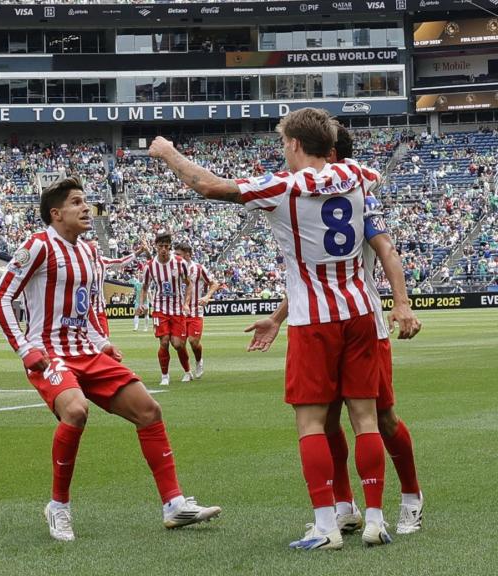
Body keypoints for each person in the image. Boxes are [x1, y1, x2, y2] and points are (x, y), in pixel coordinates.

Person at [148, 107, 390, 549]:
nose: (283, 151)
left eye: (284, 143)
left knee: (312, 423)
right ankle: (374, 519)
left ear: (295, 145)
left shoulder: (283, 187)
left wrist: (168, 153)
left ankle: (325, 526)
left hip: (314, 318)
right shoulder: (361, 173)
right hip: (359, 310)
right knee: (365, 418)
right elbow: (365, 184)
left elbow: (206, 185)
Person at [0, 176, 220, 542]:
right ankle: (59, 507)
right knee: (76, 411)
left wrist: (101, 342)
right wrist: (24, 349)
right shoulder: (37, 246)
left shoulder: (90, 251)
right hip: (49, 353)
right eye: (77, 202)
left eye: (86, 201)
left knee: (148, 410)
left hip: (86, 350)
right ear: (56, 213)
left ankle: (174, 504)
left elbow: (91, 304)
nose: (86, 208)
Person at [245, 124, 424, 536]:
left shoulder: (359, 194)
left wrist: (401, 303)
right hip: (333, 315)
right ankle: (346, 506)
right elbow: (313, 274)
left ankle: (411, 496)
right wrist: (277, 317)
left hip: (362, 320)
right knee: (328, 421)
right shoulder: (326, 190)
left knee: (382, 418)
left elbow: (387, 251)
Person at [139, 230, 194, 386]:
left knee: (178, 344)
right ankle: (165, 376)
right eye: (160, 246)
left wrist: (186, 303)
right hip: (160, 308)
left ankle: (187, 371)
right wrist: (143, 304)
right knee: (164, 342)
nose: (163, 249)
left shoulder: (180, 263)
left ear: (170, 247)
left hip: (177, 309)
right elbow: (145, 287)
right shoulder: (150, 266)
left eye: (166, 246)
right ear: (156, 246)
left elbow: (188, 284)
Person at [174, 243, 221, 380]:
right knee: (179, 344)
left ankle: (199, 361)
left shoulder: (198, 269)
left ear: (187, 255)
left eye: (178, 254)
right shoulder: (172, 268)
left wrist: (207, 296)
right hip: (178, 312)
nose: (175, 257)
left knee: (193, 341)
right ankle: (187, 372)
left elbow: (214, 284)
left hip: (195, 311)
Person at [88, 238, 147, 337]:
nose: (95, 249)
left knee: (104, 338)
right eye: (93, 247)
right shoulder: (79, 262)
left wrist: (139, 252)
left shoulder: (103, 261)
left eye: (96, 247)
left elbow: (121, 261)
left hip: (99, 309)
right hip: (85, 311)